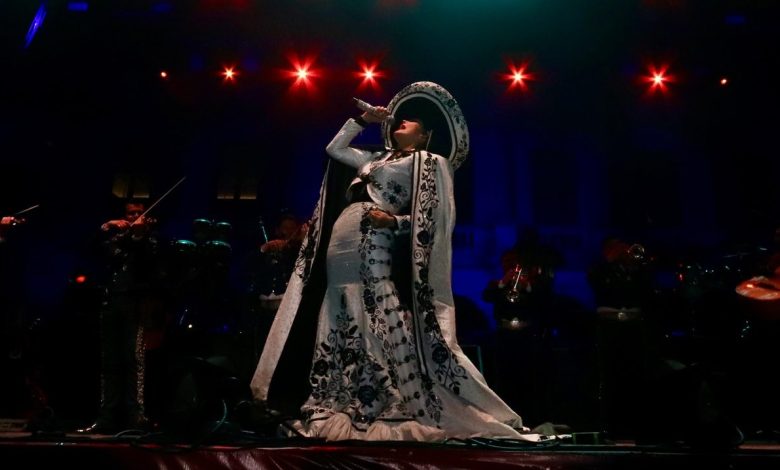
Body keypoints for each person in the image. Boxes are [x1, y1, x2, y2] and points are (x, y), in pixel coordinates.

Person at [249, 82, 534, 442]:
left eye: (411, 122)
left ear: (425, 135)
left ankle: (386, 395)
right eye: (401, 119)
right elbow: (334, 149)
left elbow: (433, 219)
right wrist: (363, 120)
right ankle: (341, 393)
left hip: (374, 242)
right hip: (341, 243)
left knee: (373, 305)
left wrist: (395, 222)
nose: (402, 122)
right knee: (338, 307)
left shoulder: (428, 163)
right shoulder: (372, 160)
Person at [78, 201, 164, 434]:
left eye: (139, 213)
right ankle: (107, 416)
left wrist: (138, 236)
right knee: (110, 361)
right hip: (111, 302)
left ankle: (136, 415)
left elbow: (147, 263)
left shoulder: (150, 239)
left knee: (133, 359)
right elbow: (91, 252)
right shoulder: (115, 237)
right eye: (131, 213)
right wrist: (105, 227)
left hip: (135, 305)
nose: (135, 216)